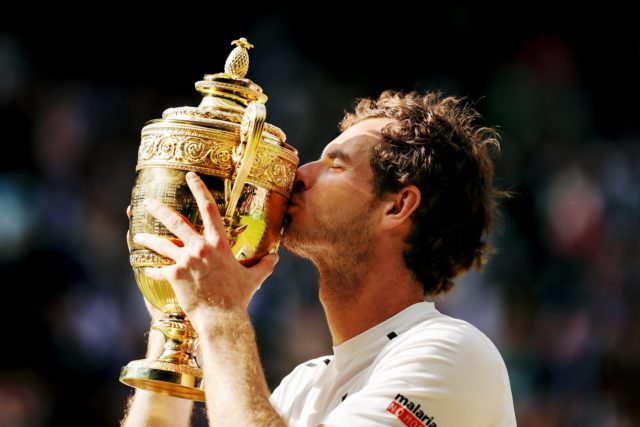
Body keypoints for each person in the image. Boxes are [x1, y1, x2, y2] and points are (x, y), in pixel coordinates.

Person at [121, 90, 517, 426]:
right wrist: (177, 320)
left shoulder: (452, 351)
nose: (300, 175)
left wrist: (220, 309)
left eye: (335, 164)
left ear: (397, 207)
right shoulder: (302, 386)